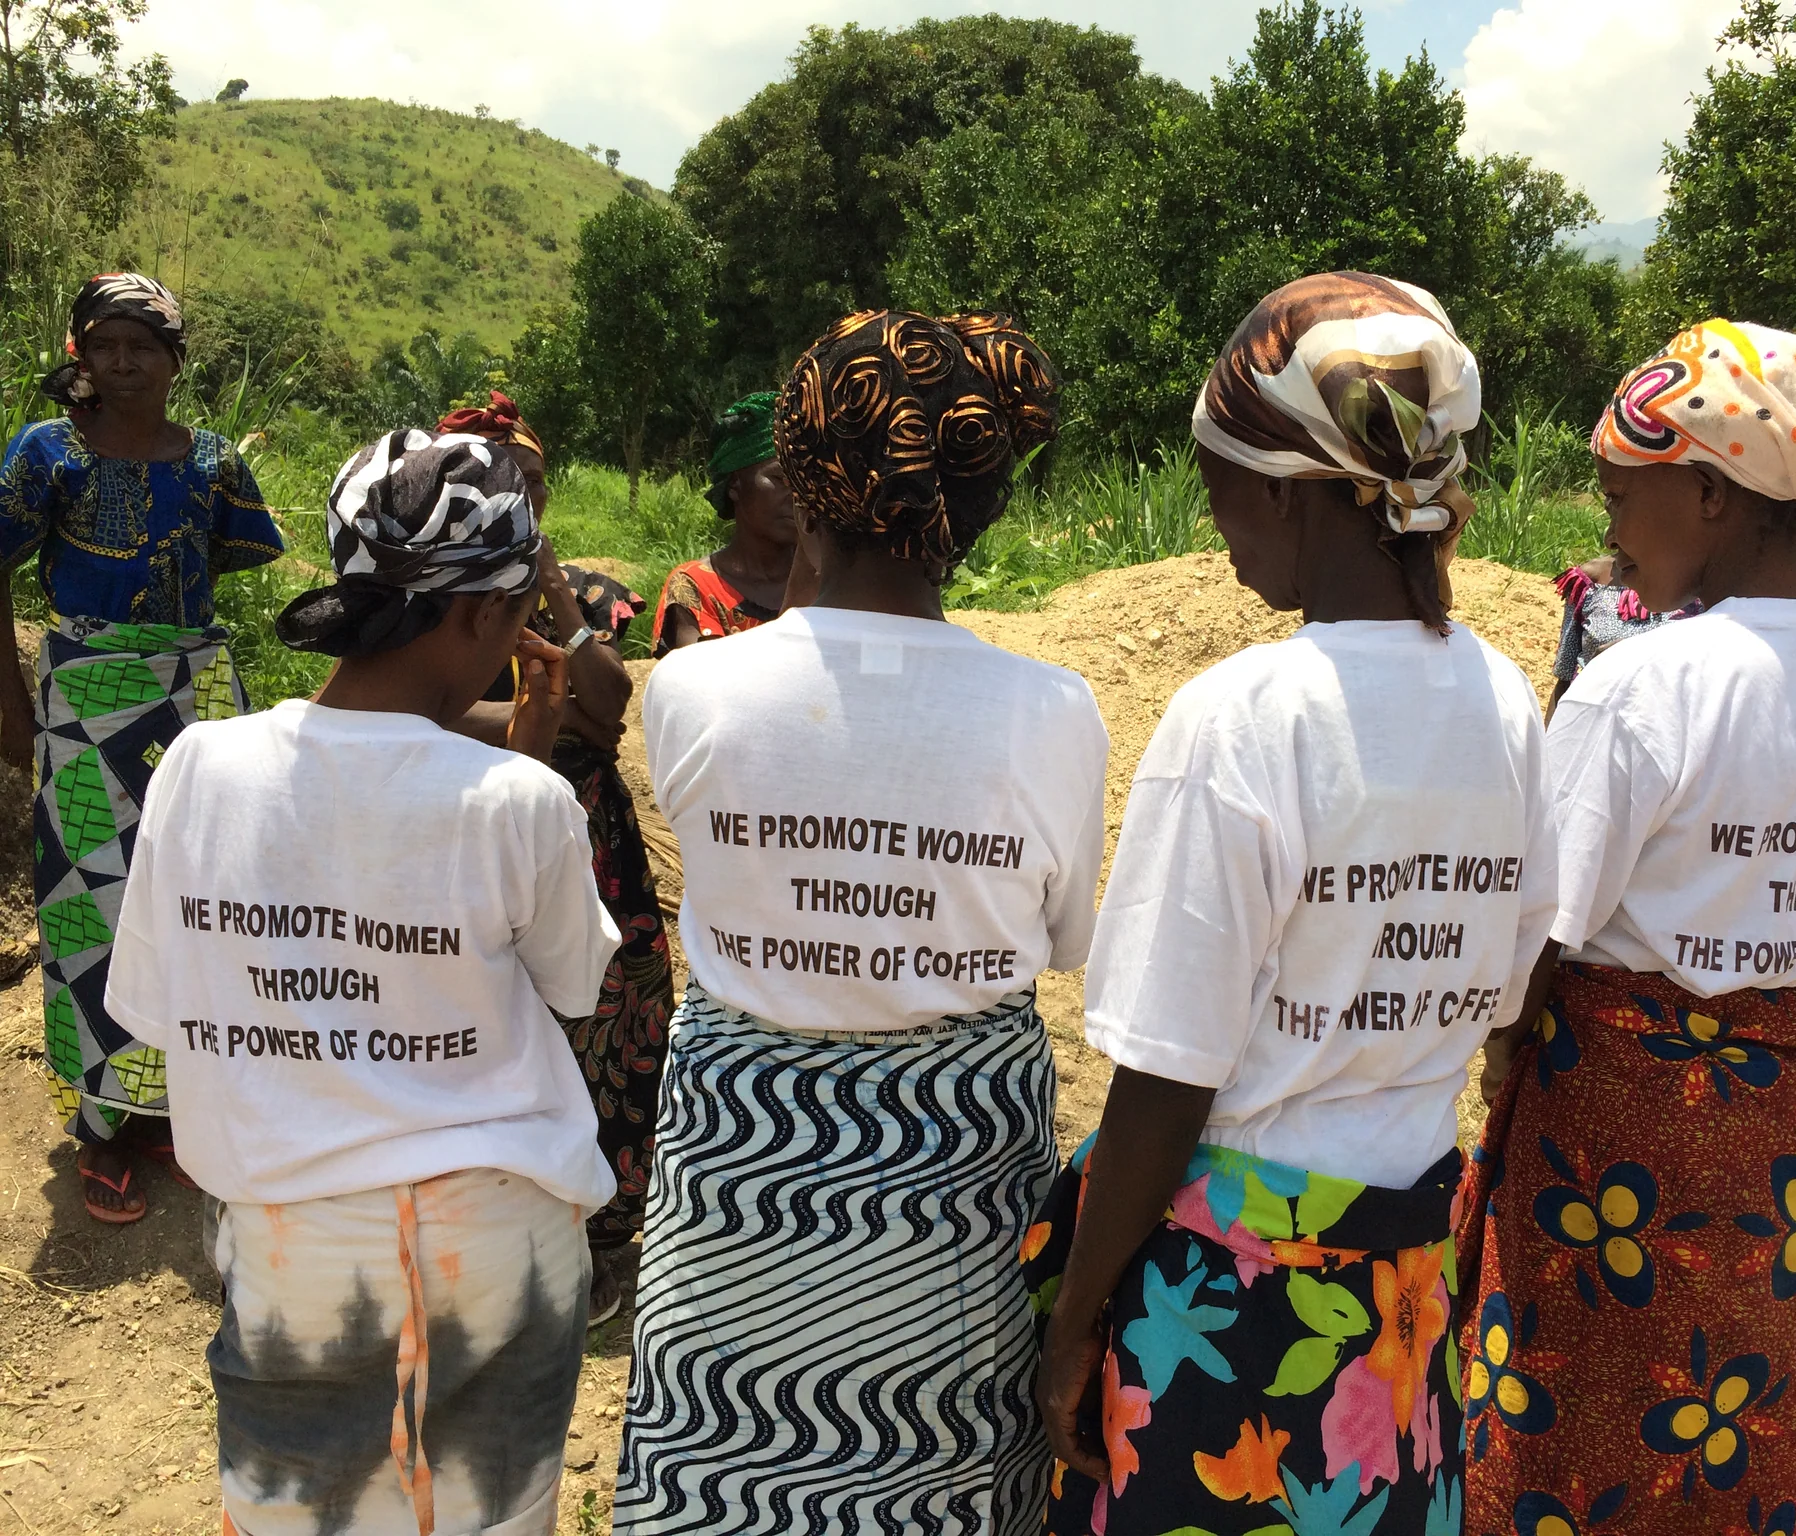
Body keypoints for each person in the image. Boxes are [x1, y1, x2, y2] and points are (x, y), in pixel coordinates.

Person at [1030, 272, 1556, 1536]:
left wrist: (1073, 1321)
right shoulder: (1499, 699)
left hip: (1231, 1304)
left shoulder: (1244, 717)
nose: (1217, 529)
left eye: (1218, 488)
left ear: (1280, 486)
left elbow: (1165, 1082)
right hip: (1401, 1285)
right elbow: (1516, 989)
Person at [615, 310, 1106, 1536]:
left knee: (730, 1479)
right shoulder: (1051, 710)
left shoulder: (691, 688)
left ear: (807, 478)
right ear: (979, 505)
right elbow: (1058, 944)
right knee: (939, 1486)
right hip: (952, 1194)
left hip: (744, 1173)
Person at [1457, 320, 1796, 1536]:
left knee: (1568, 1439)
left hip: (1619, 1134)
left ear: (1713, 494)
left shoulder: (1640, 686)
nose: (1613, 530)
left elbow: (1536, 937)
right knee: (1746, 1440)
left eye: (1626, 496)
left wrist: (1501, 1058)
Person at [104, 427, 621, 1536]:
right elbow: (574, 985)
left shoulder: (201, 766)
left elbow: (160, 1005)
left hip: (291, 1250)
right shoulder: (514, 801)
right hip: (496, 1240)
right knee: (495, 1516)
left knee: (291, 1516)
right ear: (489, 611)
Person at [0, 271, 283, 1224]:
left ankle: (174, 1108)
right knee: (93, 903)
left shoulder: (212, 463)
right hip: (85, 696)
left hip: (199, 698)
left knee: (195, 898)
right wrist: (13, 703)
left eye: (144, 345)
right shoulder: (47, 454)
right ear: (81, 351)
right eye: (104, 343)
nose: (123, 361)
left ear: (174, 359)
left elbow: (239, 558)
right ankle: (104, 1123)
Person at [438, 393, 672, 1327]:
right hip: (471, 831)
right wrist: (533, 719)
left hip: (587, 834)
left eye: (529, 482)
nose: (515, 496)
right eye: (494, 479)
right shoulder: (425, 598)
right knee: (497, 1025)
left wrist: (554, 593)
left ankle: (587, 1239)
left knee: (611, 1017)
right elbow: (418, 712)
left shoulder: (585, 589)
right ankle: (499, 1239)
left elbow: (611, 704)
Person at [649, 391, 796, 654]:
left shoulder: (832, 582)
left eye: (805, 480)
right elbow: (700, 680)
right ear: (735, 486)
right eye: (781, 479)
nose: (798, 494)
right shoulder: (695, 588)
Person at [1548, 553, 1697, 716]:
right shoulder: (1588, 581)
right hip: (1590, 719)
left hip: (1665, 725)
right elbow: (1564, 679)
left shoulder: (1701, 586)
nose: (1609, 538)